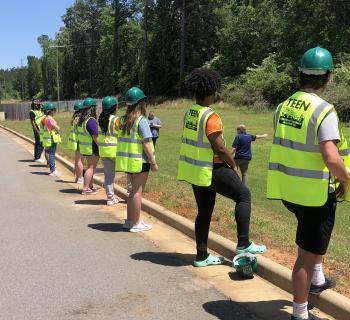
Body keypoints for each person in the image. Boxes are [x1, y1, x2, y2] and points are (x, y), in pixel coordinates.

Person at [266, 46, 350, 320]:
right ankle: (300, 313)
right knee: (304, 253)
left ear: (300, 74)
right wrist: (347, 180)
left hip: (290, 189)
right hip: (314, 193)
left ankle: (317, 278)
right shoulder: (324, 110)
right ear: (327, 77)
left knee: (312, 241)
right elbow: (331, 157)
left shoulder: (283, 106)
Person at [177, 68, 266, 267]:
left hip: (197, 170)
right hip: (214, 168)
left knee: (204, 211)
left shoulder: (190, 112)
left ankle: (201, 256)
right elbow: (219, 147)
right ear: (211, 91)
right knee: (243, 195)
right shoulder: (211, 116)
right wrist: (232, 164)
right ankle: (243, 244)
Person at [116, 87, 158, 232]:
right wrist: (153, 162)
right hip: (141, 161)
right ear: (141, 103)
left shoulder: (123, 120)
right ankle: (136, 223)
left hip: (129, 161)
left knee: (132, 191)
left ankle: (130, 221)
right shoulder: (142, 121)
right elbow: (146, 143)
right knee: (137, 192)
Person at [98, 96, 120, 205]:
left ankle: (110, 197)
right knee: (130, 173)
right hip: (115, 150)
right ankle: (131, 194)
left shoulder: (100, 120)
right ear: (114, 108)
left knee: (108, 175)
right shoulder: (116, 120)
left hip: (103, 150)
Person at [77, 97, 100, 195]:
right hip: (92, 148)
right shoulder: (90, 121)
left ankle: (90, 186)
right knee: (91, 167)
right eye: (95, 107)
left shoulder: (81, 120)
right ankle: (86, 188)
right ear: (92, 108)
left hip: (85, 148)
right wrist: (101, 147)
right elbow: (95, 136)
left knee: (91, 167)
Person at [41, 102, 62, 177]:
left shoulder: (45, 118)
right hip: (52, 138)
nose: (55, 111)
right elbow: (57, 127)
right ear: (51, 111)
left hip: (49, 139)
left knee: (51, 154)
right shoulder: (50, 119)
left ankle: (52, 169)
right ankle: (53, 170)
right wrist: (58, 128)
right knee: (52, 154)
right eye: (54, 110)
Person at [67, 101, 84, 184]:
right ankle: (80, 178)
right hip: (80, 141)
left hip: (76, 141)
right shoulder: (79, 120)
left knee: (77, 160)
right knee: (80, 161)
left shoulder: (74, 119)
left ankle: (78, 177)